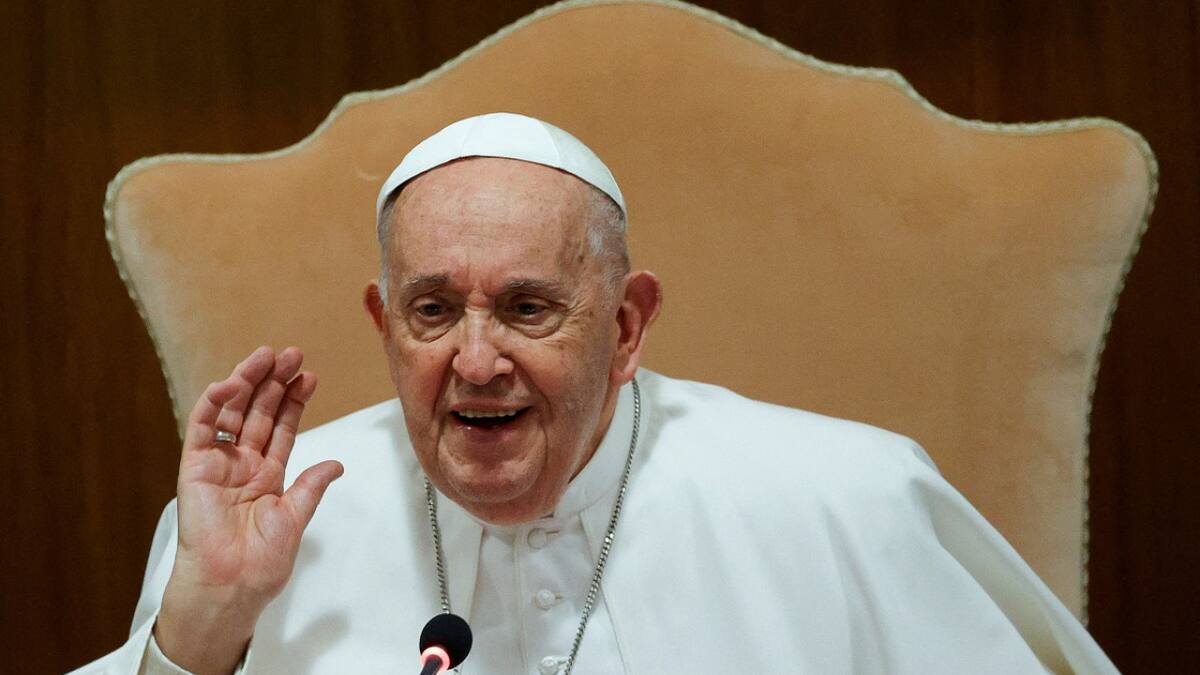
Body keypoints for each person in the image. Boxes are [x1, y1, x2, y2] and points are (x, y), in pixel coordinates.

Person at [75, 113, 1118, 674]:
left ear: (624, 328)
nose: (476, 362)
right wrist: (200, 636)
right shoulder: (269, 525)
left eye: (529, 308)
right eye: (432, 312)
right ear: (383, 324)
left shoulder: (844, 500)